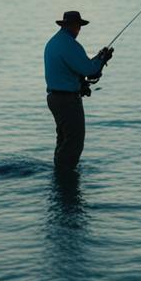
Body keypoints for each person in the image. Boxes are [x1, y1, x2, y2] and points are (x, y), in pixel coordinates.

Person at [44, 11, 113, 171]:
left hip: (54, 98)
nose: (79, 30)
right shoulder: (70, 45)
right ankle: (65, 172)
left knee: (64, 139)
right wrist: (102, 60)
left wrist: (98, 58)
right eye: (78, 26)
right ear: (73, 26)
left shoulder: (54, 42)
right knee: (75, 141)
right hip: (67, 101)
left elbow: (79, 66)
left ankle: (59, 169)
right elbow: (90, 70)